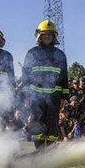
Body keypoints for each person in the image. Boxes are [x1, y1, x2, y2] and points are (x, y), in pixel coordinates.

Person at [21, 20, 69, 149]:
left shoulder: (60, 54)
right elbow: (25, 75)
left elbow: (64, 77)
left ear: (54, 37)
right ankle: (39, 150)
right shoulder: (32, 53)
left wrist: (64, 97)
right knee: (37, 123)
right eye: (44, 34)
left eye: (50, 34)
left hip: (54, 96)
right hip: (36, 96)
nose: (47, 36)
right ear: (39, 36)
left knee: (52, 124)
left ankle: (50, 151)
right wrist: (26, 96)